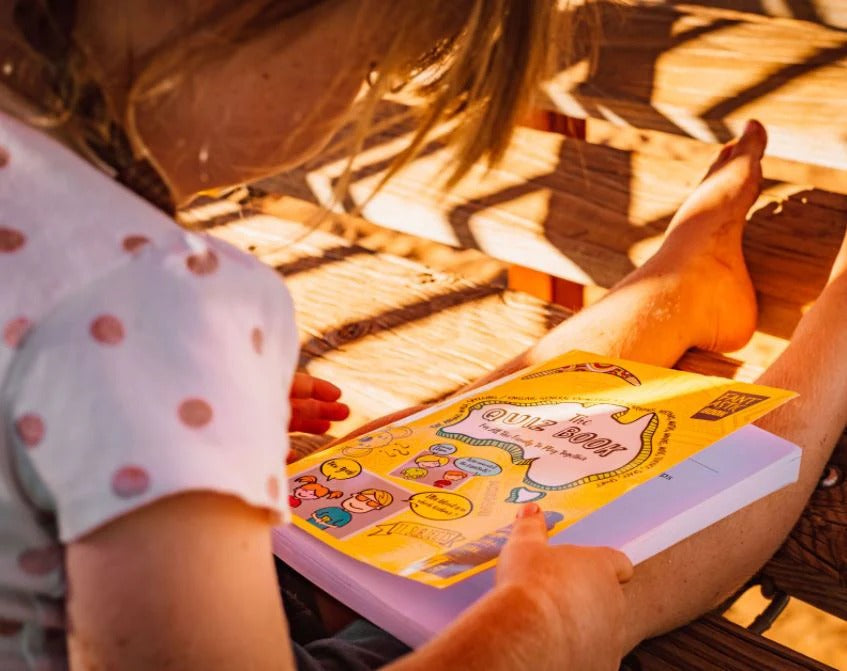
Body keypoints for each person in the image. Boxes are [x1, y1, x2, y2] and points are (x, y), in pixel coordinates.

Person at [0, 2, 844, 671]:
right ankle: (832, 346)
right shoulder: (149, 301)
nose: (362, 102)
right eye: (374, 62)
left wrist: (166, 421)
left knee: (397, 475)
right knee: (584, 577)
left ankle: (673, 297)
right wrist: (543, 635)